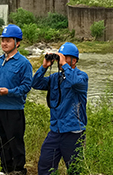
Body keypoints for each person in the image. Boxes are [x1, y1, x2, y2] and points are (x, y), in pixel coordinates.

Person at [32, 42, 88, 175]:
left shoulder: (81, 76)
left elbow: (75, 82)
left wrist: (65, 65)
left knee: (75, 169)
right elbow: (36, 84)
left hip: (73, 131)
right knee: (45, 165)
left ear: (74, 60)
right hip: (55, 130)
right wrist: (44, 66)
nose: (60, 61)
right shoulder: (55, 78)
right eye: (60, 57)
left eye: (65, 57)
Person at [0, 24, 33, 175]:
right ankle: (6, 169)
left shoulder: (23, 63)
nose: (4, 43)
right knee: (0, 140)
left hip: (13, 110)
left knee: (15, 142)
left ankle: (18, 169)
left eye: (8, 40)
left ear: (17, 42)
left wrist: (9, 92)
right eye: (2, 40)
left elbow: (26, 87)